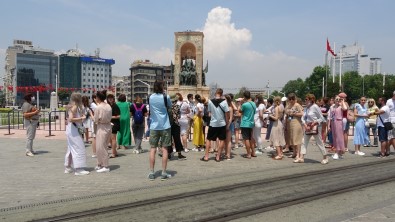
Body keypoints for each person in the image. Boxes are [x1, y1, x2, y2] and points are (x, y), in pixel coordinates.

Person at [147, 81, 172, 181]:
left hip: (154, 126)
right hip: (165, 125)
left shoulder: (150, 97)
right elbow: (169, 107)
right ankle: (164, 172)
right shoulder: (166, 97)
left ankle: (152, 172)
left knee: (153, 149)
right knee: (165, 149)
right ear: (162, 87)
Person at [64, 93, 90, 175]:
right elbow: (71, 119)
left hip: (72, 129)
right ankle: (78, 169)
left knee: (71, 148)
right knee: (78, 148)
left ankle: (68, 167)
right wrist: (82, 118)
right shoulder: (75, 107)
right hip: (74, 130)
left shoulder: (74, 106)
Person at [201, 88, 230, 161]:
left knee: (208, 139)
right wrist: (227, 122)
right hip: (221, 123)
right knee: (222, 140)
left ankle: (206, 156)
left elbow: (209, 113)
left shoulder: (210, 101)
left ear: (215, 93)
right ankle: (218, 156)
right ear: (221, 94)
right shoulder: (224, 102)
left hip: (213, 123)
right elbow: (227, 113)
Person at [300, 94, 329, 164]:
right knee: (304, 141)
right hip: (308, 126)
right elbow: (303, 117)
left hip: (316, 127)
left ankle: (325, 157)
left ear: (311, 100)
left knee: (319, 142)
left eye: (306, 99)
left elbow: (321, 118)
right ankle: (301, 157)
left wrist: (315, 122)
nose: (305, 101)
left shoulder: (315, 107)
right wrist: (304, 124)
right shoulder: (307, 108)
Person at [92, 90, 112, 173]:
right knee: (103, 146)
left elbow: (96, 120)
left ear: (98, 98)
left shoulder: (99, 107)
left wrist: (91, 116)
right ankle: (100, 163)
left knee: (101, 147)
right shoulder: (108, 106)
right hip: (108, 126)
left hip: (102, 127)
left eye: (96, 97)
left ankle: (105, 165)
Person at [284, 93, 304, 161]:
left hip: (296, 122)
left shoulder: (297, 105)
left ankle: (298, 154)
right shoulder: (288, 105)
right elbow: (286, 112)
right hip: (290, 123)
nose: (291, 100)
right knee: (292, 138)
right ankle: (294, 152)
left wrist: (294, 113)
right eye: (290, 99)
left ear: (295, 99)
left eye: (293, 99)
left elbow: (302, 114)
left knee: (296, 139)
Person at [167, 93, 187, 160]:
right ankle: (179, 154)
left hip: (168, 124)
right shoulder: (177, 106)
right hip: (176, 124)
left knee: (169, 139)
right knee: (177, 139)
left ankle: (169, 153)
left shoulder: (167, 106)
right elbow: (179, 116)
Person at [240, 90, 256, 159]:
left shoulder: (244, 104)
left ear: (244, 96)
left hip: (245, 123)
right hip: (251, 122)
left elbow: (240, 111)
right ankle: (253, 152)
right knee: (251, 138)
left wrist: (241, 102)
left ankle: (248, 153)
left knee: (246, 139)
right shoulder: (254, 104)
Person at [107, 94, 120, 158]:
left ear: (113, 99)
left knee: (113, 139)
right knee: (111, 139)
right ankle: (115, 152)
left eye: (111, 98)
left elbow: (119, 116)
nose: (110, 99)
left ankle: (113, 153)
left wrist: (110, 117)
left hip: (114, 124)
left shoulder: (115, 106)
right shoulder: (108, 105)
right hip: (109, 124)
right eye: (109, 98)